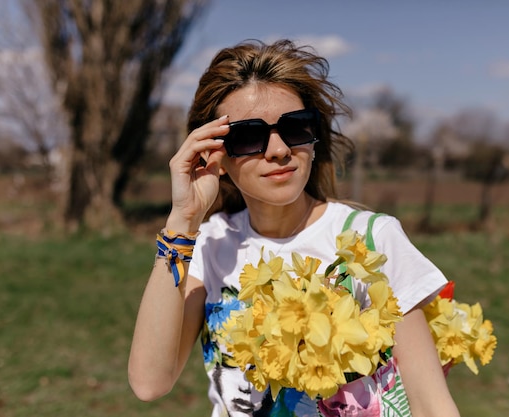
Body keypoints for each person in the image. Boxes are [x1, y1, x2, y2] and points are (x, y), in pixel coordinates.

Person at [128, 39, 461, 417]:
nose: (279, 149)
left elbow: (431, 405)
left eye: (296, 127)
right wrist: (183, 223)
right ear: (214, 154)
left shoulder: (370, 240)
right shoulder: (209, 245)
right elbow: (150, 382)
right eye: (248, 136)